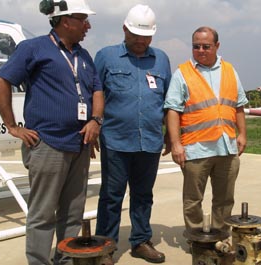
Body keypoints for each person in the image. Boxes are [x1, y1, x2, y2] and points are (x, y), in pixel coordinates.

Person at [0, 0, 103, 264]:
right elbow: (1, 80)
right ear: (66, 21)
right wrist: (12, 126)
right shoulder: (33, 48)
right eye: (83, 19)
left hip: (79, 144)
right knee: (42, 214)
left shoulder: (83, 56)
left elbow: (97, 90)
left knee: (73, 212)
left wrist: (96, 120)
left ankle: (65, 260)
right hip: (48, 144)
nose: (88, 25)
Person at [94, 4, 171, 264]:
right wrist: (93, 125)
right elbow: (94, 94)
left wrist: (172, 135)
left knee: (143, 195)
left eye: (146, 36)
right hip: (115, 140)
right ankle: (105, 246)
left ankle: (140, 241)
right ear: (124, 29)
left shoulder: (161, 59)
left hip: (149, 140)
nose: (140, 41)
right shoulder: (106, 56)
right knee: (111, 196)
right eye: (135, 35)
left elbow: (169, 102)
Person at [164, 26, 247, 234]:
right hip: (196, 149)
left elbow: (238, 106)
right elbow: (173, 110)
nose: (200, 50)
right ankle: (195, 238)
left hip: (226, 147)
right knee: (193, 200)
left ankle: (220, 236)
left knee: (225, 199)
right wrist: (176, 143)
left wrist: (242, 134)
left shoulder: (229, 70)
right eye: (196, 46)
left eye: (206, 46)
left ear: (217, 46)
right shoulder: (182, 73)